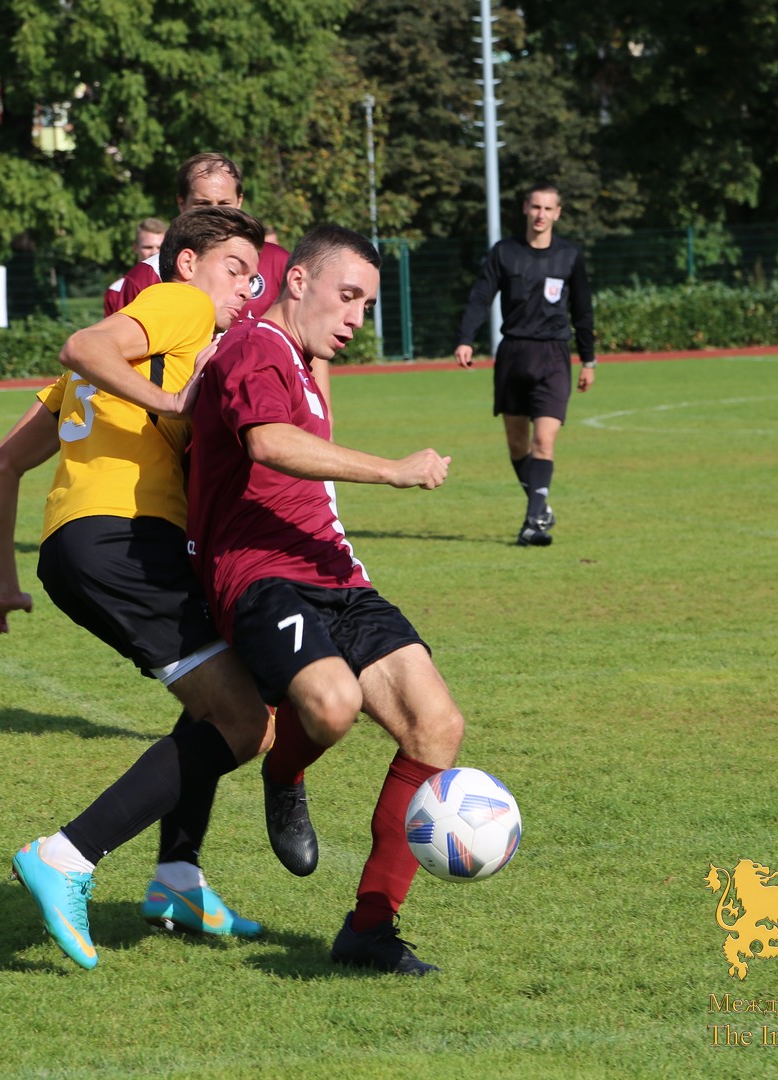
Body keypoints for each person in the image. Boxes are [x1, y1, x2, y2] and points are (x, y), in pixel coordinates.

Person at [0, 206, 312, 969]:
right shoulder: (178, 306)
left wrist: (2, 584)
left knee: (233, 691)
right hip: (126, 538)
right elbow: (82, 343)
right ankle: (67, 855)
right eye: (235, 270)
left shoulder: (124, 363)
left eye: (253, 276)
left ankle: (177, 879)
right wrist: (177, 404)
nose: (246, 289)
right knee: (243, 721)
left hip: (80, 545)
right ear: (186, 263)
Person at [187, 225, 466, 975]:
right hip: (258, 573)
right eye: (347, 297)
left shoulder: (307, 365)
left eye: (367, 305)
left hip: (336, 571)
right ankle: (284, 772)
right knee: (332, 706)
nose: (355, 318)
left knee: (437, 726)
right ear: (299, 281)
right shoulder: (255, 346)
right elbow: (267, 442)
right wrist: (393, 469)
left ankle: (370, 928)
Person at [454, 182, 597, 547]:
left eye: (548, 209)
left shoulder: (570, 256)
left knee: (543, 442)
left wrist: (588, 360)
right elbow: (481, 296)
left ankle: (533, 523)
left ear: (558, 213)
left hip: (554, 356)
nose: (540, 215)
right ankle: (540, 504)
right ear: (525, 208)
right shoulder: (504, 252)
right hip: (513, 355)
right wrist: (466, 338)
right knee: (517, 445)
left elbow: (582, 311)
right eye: (535, 207)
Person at [104, 153, 290, 324]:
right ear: (182, 204)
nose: (216, 214)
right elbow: (119, 344)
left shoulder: (277, 261)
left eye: (225, 203)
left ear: (239, 202)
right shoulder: (147, 275)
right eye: (203, 204)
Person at [103, 217, 167, 310]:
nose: (154, 253)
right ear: (135, 248)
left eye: (159, 247)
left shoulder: (178, 283)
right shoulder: (116, 291)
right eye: (148, 247)